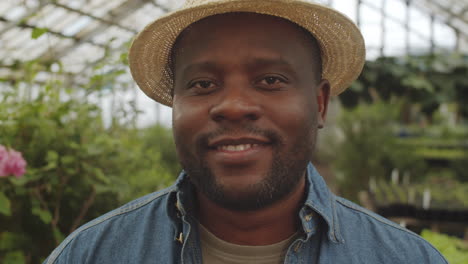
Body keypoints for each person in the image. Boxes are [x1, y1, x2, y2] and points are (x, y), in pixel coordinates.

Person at [44, 0, 447, 263]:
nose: (233, 106)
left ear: (319, 104)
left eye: (270, 79)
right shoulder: (90, 254)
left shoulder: (405, 258)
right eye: (202, 84)